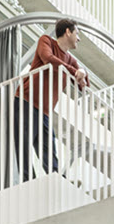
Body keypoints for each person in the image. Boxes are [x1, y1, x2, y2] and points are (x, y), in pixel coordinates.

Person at [14, 18, 90, 182]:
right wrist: (74, 71)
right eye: (77, 34)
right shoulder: (46, 41)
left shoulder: (70, 59)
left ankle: (58, 181)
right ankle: (28, 181)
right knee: (24, 143)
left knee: (49, 149)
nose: (79, 38)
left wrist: (82, 73)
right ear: (68, 32)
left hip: (45, 111)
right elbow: (48, 58)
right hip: (26, 101)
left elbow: (84, 84)